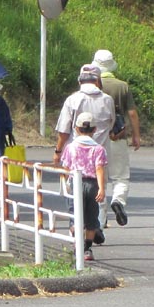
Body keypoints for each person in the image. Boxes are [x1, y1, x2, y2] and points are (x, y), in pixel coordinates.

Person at [53, 64, 115, 245]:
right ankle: (97, 228)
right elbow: (111, 124)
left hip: (76, 157)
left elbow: (64, 130)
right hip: (100, 155)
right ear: (98, 81)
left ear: (80, 80)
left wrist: (58, 151)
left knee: (75, 204)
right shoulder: (108, 100)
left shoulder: (72, 100)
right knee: (98, 197)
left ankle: (78, 240)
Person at [91, 49, 140, 228]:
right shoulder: (122, 86)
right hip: (118, 137)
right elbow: (132, 113)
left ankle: (100, 219)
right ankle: (118, 200)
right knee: (120, 176)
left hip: (97, 138)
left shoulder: (93, 85)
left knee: (100, 179)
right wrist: (136, 135)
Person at [59, 111, 107, 262]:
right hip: (92, 184)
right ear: (95, 130)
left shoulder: (70, 147)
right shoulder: (98, 149)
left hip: (75, 183)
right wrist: (101, 188)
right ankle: (87, 249)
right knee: (92, 218)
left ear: (77, 129)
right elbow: (99, 169)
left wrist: (65, 184)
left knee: (75, 216)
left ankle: (77, 245)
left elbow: (66, 168)